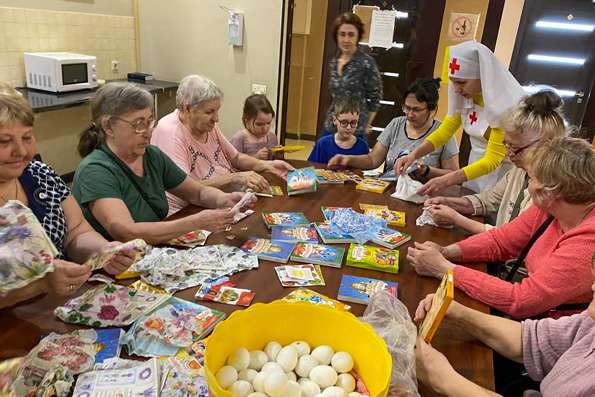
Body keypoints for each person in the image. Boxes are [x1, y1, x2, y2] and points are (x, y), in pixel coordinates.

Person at [407, 136, 595, 319]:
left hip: (552, 333)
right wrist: (446, 251)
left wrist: (444, 269)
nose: (527, 186)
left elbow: (521, 300)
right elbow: (501, 241)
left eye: (531, 178)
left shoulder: (587, 243)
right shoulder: (548, 208)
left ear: (552, 192)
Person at [0, 83, 135, 308]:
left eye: (27, 137)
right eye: (4, 142)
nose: (21, 151)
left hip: (57, 309)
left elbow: (75, 232)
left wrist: (102, 250)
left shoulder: (40, 174)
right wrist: (40, 284)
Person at [72, 82, 251, 244]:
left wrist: (224, 199)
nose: (148, 132)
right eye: (138, 124)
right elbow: (125, 232)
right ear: (109, 127)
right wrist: (194, 222)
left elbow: (197, 192)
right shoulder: (95, 171)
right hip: (116, 267)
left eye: (150, 121)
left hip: (153, 252)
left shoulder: (151, 155)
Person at [414, 252, 595, 396]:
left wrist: (444, 380)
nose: (592, 286)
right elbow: (532, 341)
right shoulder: (591, 320)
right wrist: (457, 312)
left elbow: (522, 299)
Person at [395, 40, 525, 194]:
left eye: (461, 82)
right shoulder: (467, 96)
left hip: (500, 174)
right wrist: (414, 155)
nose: (456, 89)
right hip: (474, 168)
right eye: (453, 83)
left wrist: (447, 179)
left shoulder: (505, 105)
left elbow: (492, 161)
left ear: (482, 76)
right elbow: (445, 132)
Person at [426, 90, 566, 233]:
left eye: (515, 147)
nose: (508, 153)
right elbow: (488, 200)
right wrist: (448, 203)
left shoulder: (549, 189)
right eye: (506, 144)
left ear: (545, 145)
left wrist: (456, 218)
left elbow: (512, 239)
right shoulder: (519, 171)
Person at [150, 75, 293, 215]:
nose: (216, 118)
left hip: (224, 199)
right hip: (189, 211)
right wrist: (235, 178)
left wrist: (268, 165)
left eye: (217, 110)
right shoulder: (170, 132)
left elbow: (236, 157)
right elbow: (187, 189)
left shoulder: (207, 125)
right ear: (187, 109)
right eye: (209, 112)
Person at [327, 78, 459, 181]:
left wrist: (425, 170)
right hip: (390, 190)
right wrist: (348, 159)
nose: (410, 114)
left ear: (432, 110)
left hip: (422, 195)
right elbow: (373, 160)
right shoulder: (396, 124)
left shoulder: (443, 132)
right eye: (407, 108)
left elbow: (453, 175)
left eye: (416, 109)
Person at [322, 12, 382, 138]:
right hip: (332, 125)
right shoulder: (334, 61)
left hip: (355, 129)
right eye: (342, 34)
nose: (346, 40)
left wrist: (367, 123)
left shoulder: (366, 62)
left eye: (351, 35)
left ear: (358, 36)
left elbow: (376, 98)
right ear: (336, 36)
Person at [308, 97, 369, 164]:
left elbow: (366, 173)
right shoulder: (322, 144)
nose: (349, 127)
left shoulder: (363, 146)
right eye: (344, 122)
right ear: (334, 120)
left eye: (353, 123)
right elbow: (311, 168)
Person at [230, 94, 278, 160]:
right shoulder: (239, 139)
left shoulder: (272, 138)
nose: (265, 128)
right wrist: (255, 158)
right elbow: (233, 164)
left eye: (268, 123)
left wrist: (279, 153)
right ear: (247, 121)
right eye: (259, 124)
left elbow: (275, 161)